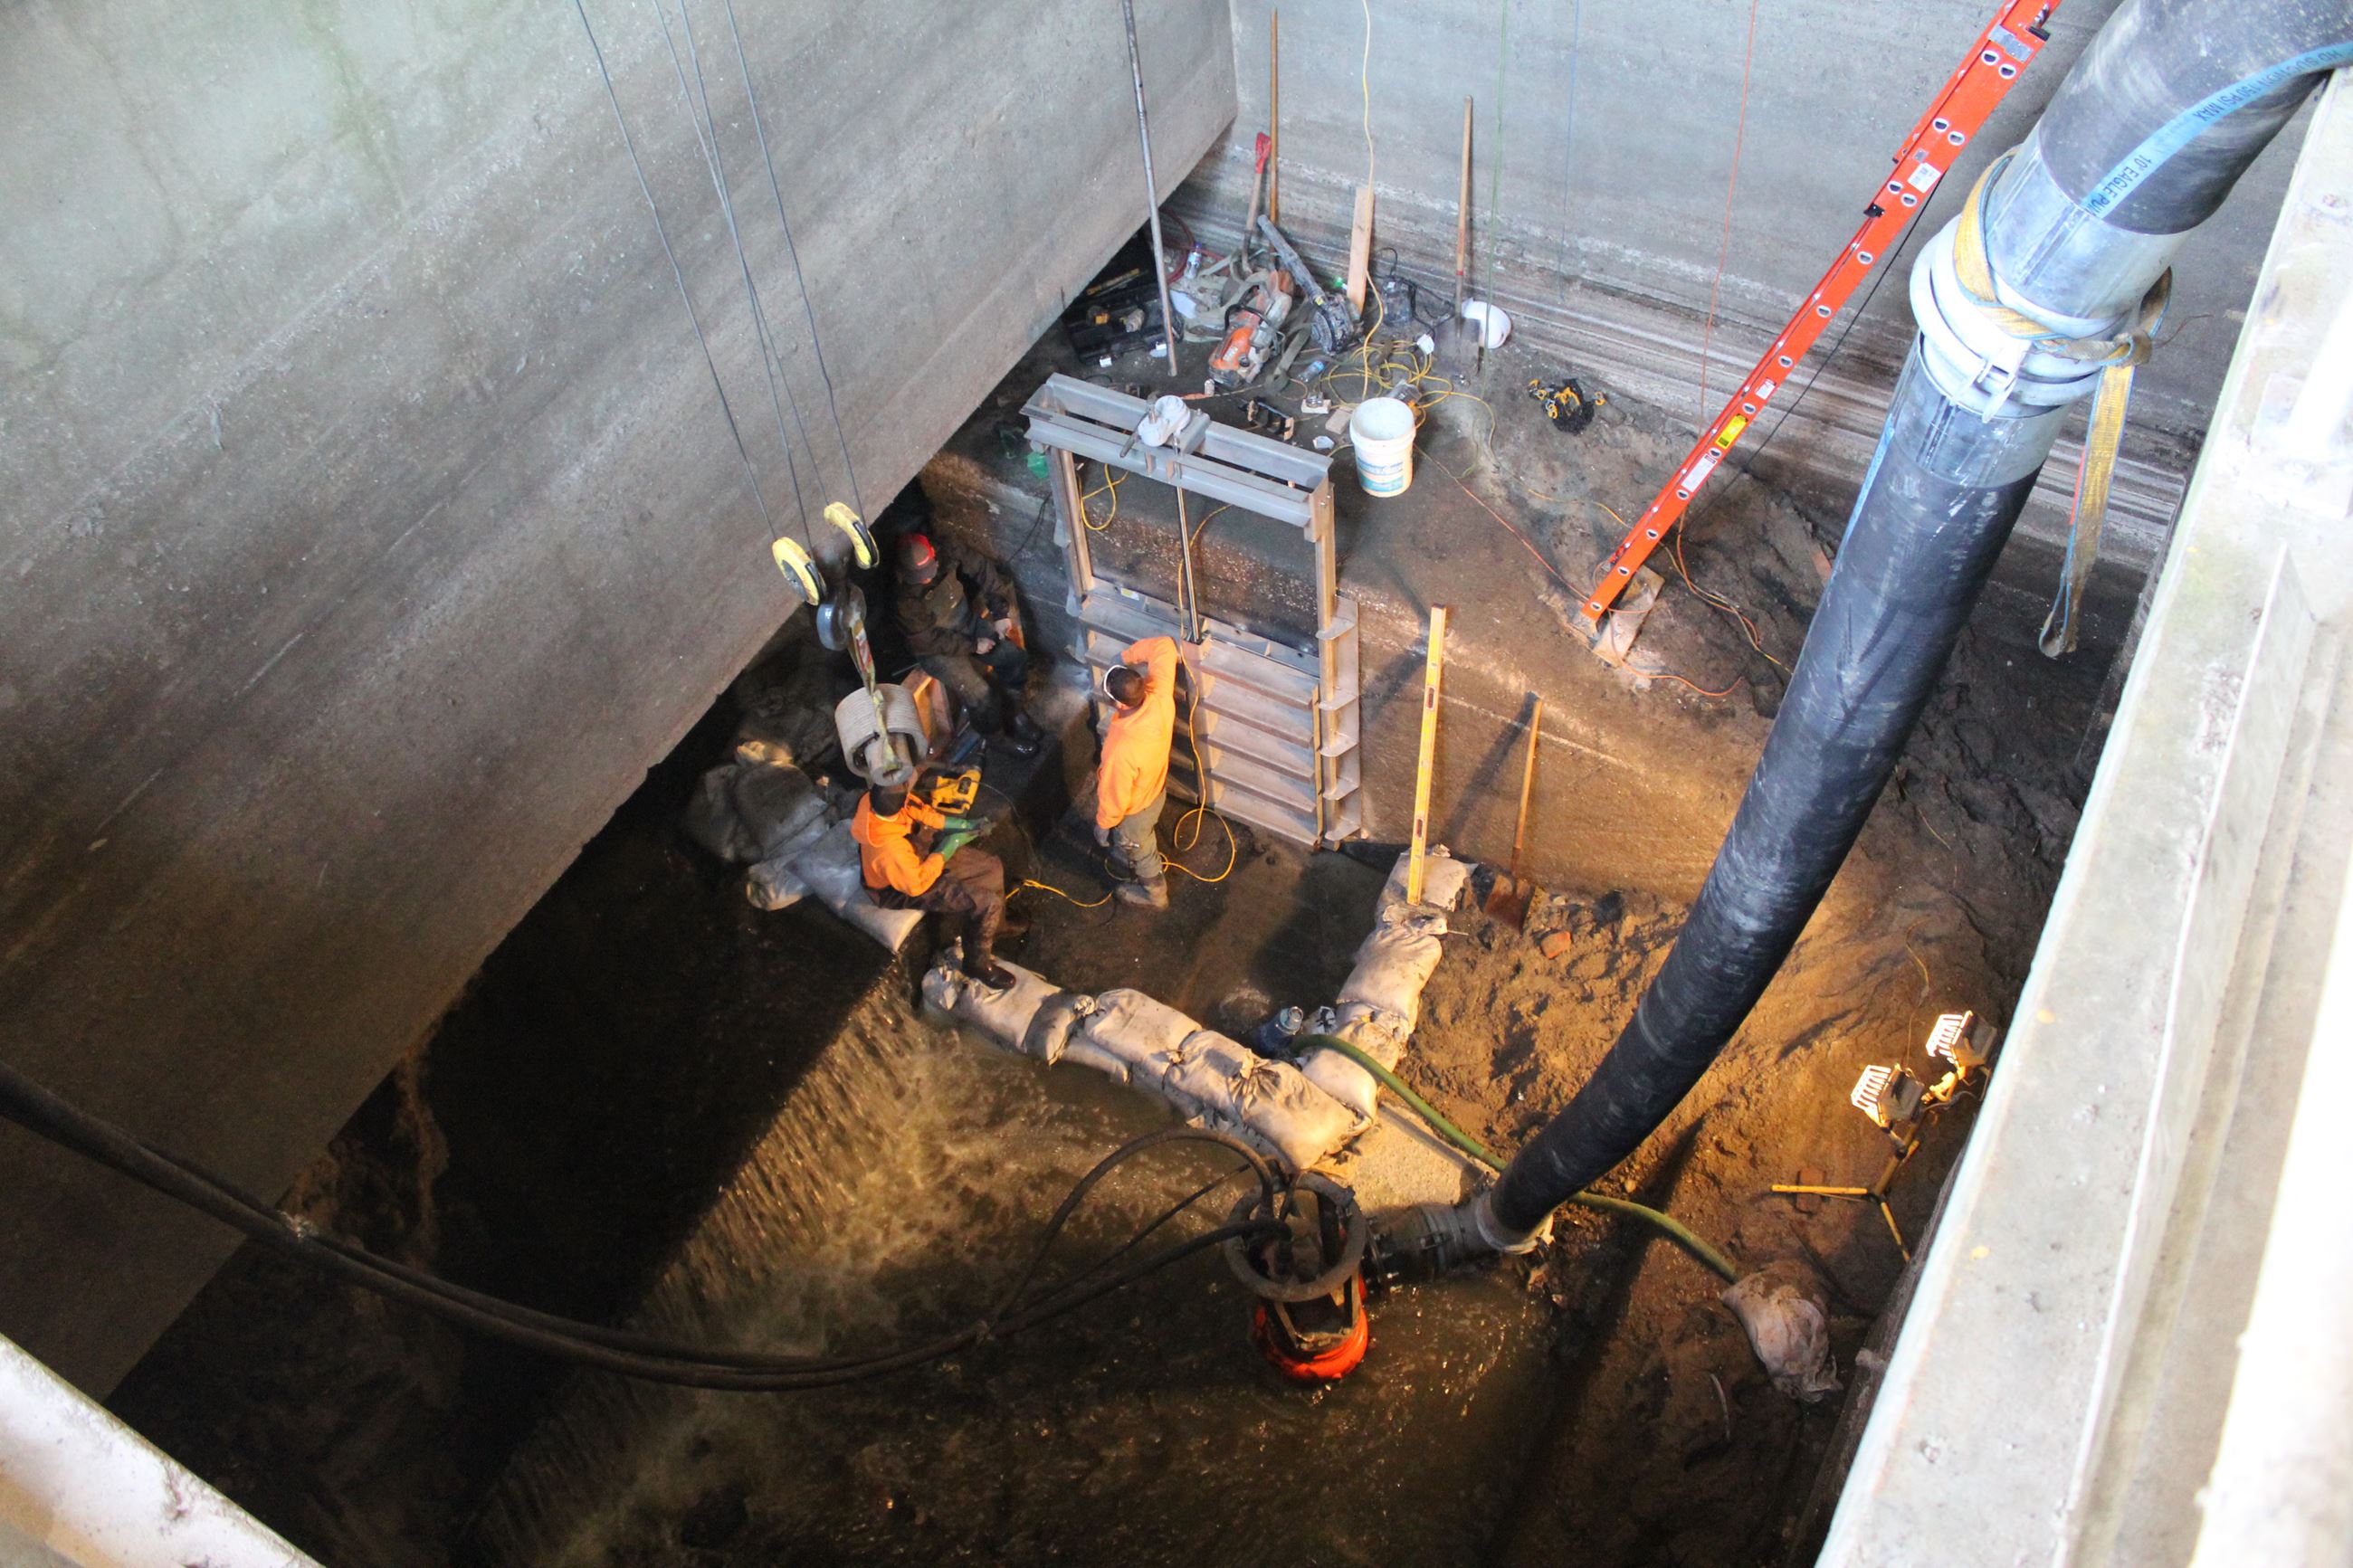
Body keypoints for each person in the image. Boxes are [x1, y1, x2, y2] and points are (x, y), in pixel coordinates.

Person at [893, 532, 1044, 757]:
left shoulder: (947, 549)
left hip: (964, 622)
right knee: (981, 696)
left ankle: (1012, 708)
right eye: (919, 576)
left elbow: (982, 568)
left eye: (928, 572)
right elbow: (926, 639)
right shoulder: (903, 599)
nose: (925, 579)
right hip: (936, 649)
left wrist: (999, 611)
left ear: (934, 554)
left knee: (1014, 658)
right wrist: (973, 646)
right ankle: (996, 738)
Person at [852, 781, 1013, 986]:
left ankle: (996, 928)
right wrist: (946, 848)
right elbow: (917, 884)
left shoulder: (878, 799)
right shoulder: (889, 853)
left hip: (912, 847)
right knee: (987, 903)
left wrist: (965, 825)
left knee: (992, 867)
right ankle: (977, 964)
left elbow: (921, 812)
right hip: (900, 886)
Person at [1094, 634, 1179, 909]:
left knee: (1141, 850)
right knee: (1140, 838)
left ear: (1119, 704)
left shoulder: (1121, 748)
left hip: (1135, 809)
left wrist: (1103, 825)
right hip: (1156, 788)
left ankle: (1155, 895)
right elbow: (1164, 646)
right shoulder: (1159, 694)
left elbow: (1114, 796)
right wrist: (1126, 657)